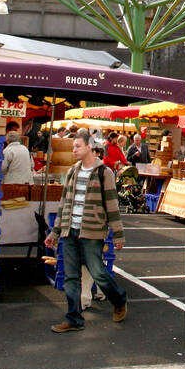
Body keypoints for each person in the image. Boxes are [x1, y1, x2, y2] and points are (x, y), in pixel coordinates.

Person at [44, 132, 127, 332]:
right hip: (70, 231)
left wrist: (118, 234)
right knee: (71, 276)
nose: (74, 150)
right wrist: (55, 232)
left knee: (98, 272)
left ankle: (119, 300)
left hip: (92, 231)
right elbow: (64, 203)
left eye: (77, 146)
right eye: (73, 147)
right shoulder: (72, 171)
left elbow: (112, 205)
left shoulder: (104, 173)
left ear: (89, 147)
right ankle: (73, 318)